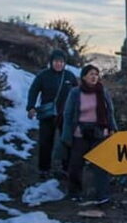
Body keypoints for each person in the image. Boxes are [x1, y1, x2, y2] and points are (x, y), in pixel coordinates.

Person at [61, 64, 118, 204]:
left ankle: (102, 194)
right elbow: (68, 114)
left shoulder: (102, 91)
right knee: (76, 164)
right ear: (84, 77)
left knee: (101, 164)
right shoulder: (75, 93)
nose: (94, 77)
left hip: (99, 131)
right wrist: (67, 134)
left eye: (96, 74)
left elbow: (109, 111)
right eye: (91, 74)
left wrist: (112, 128)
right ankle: (74, 193)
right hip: (80, 132)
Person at [25, 49, 78, 179]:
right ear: (51, 62)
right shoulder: (43, 75)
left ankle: (66, 168)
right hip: (48, 114)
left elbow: (77, 93)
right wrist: (31, 107)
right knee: (45, 142)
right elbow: (33, 91)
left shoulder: (69, 76)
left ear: (64, 63)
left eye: (61, 62)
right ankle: (44, 168)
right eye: (56, 61)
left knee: (67, 141)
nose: (58, 64)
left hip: (65, 115)